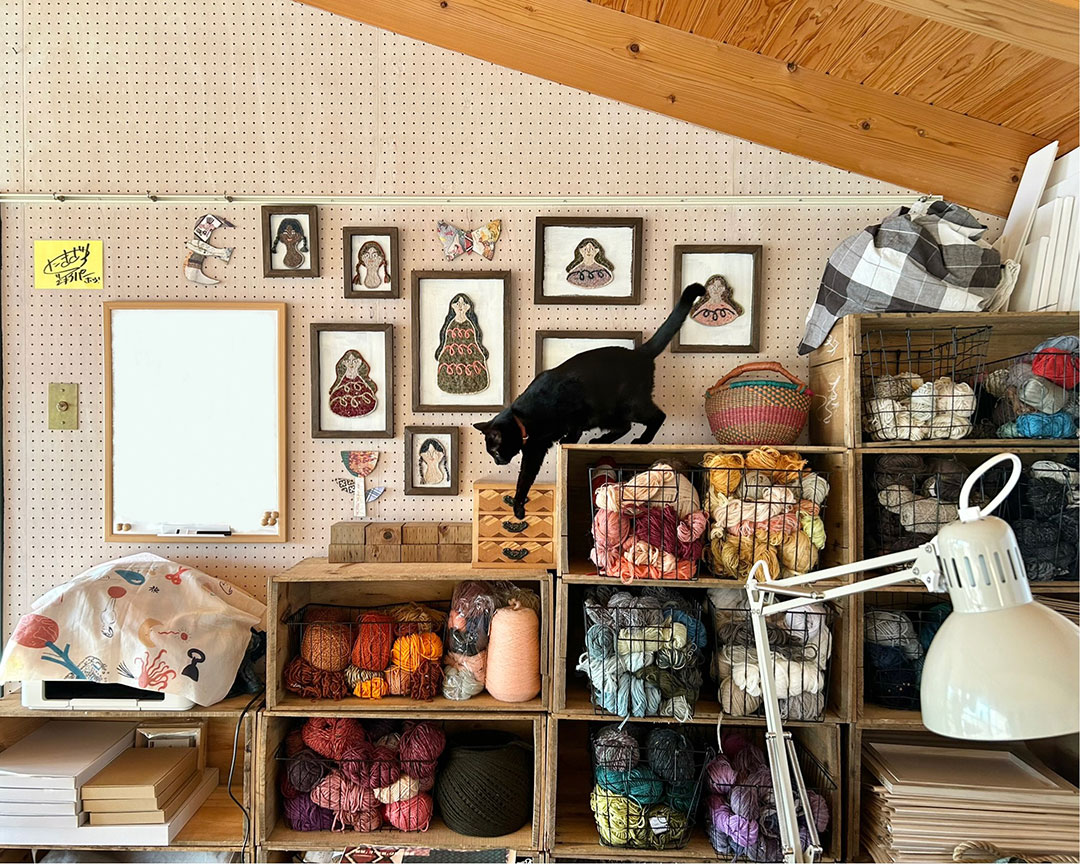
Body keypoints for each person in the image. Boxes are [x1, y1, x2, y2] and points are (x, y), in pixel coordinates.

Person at [436, 293, 489, 394]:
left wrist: (481, 351)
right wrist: (441, 351)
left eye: (464, 304)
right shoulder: (450, 324)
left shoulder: (470, 324)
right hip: (452, 357)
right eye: (457, 304)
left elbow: (476, 340)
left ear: (468, 307)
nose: (460, 306)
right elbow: (444, 340)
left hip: (470, 356)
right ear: (452, 306)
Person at [328, 349, 378, 417]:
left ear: (359, 363)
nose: (351, 364)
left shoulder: (363, 382)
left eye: (355, 361)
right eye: (348, 361)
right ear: (344, 362)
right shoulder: (341, 382)